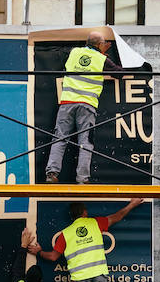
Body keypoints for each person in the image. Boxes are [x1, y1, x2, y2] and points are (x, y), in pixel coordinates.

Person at [45, 30, 124, 185]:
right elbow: (119, 73)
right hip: (86, 106)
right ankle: (82, 179)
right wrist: (104, 56)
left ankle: (51, 174)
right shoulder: (101, 59)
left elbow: (85, 58)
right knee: (85, 143)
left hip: (67, 103)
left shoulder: (74, 52)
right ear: (101, 45)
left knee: (59, 139)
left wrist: (100, 52)